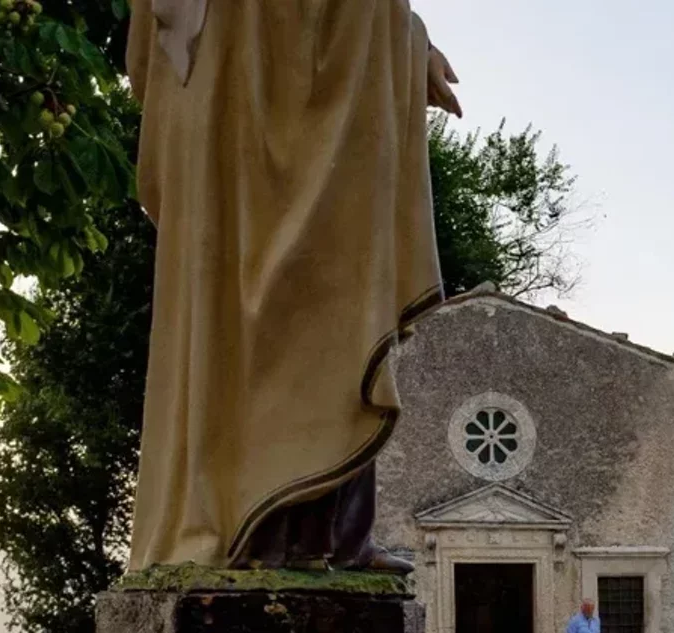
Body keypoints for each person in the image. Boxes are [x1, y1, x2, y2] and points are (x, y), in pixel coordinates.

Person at [124, 0, 462, 573]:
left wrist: (410, 44)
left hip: (346, 86)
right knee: (263, 314)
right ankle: (261, 534)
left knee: (347, 307)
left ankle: (336, 535)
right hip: (245, 87)